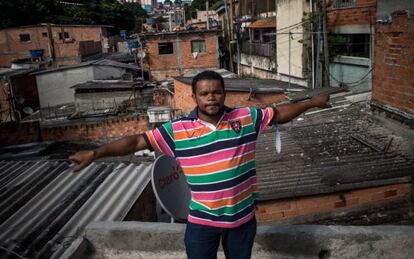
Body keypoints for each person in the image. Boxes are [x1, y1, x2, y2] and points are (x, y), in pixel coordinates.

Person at [69, 70, 330, 259]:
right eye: (204, 93)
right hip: (202, 221)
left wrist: (311, 103)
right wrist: (95, 153)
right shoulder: (178, 130)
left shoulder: (245, 118)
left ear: (223, 93)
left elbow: (279, 113)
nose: (211, 98)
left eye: (216, 92)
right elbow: (137, 141)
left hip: (241, 220)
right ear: (194, 96)